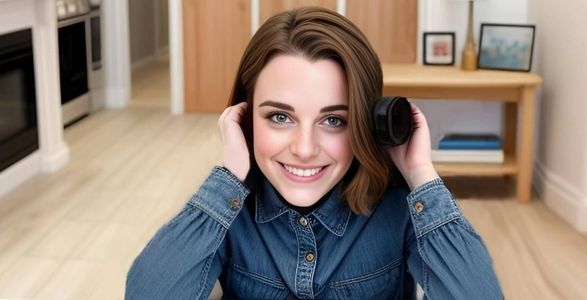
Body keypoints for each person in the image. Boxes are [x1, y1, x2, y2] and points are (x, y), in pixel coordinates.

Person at [125, 7, 503, 299]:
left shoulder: (399, 209)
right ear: (243, 118)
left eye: (334, 121)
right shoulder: (228, 211)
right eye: (279, 116)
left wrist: (421, 173)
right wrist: (227, 178)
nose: (304, 149)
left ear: (367, 122)